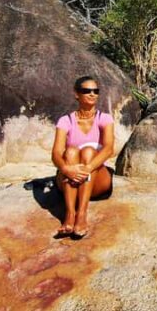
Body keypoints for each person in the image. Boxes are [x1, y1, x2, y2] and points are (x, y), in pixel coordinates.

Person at [51, 75, 115, 238]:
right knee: (71, 151)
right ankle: (70, 213)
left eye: (96, 91)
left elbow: (108, 149)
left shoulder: (104, 119)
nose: (92, 94)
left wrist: (87, 169)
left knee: (88, 151)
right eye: (87, 91)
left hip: (95, 176)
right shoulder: (66, 121)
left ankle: (81, 214)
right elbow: (56, 153)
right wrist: (66, 169)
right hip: (70, 174)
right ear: (76, 94)